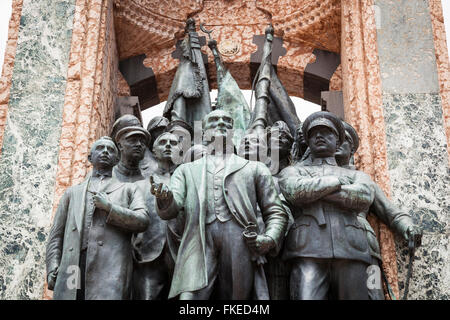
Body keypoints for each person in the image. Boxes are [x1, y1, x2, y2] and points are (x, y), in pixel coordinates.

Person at [151, 109, 289, 300]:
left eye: (227, 121)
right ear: (205, 132)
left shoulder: (255, 168)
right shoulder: (185, 170)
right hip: (198, 240)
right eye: (215, 120)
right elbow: (171, 210)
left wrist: (270, 238)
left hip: (240, 241)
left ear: (233, 130)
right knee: (189, 299)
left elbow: (275, 211)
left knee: (237, 300)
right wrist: (164, 198)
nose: (221, 123)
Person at [279, 111, 376, 300]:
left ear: (338, 142)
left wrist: (315, 193)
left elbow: (363, 196)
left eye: (327, 133)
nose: (320, 136)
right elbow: (294, 192)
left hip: (351, 247)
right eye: (314, 133)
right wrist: (335, 182)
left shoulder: (358, 175)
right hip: (307, 249)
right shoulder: (292, 171)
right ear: (307, 141)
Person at [45, 136, 149, 300]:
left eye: (110, 149)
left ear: (117, 159)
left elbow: (142, 220)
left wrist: (110, 208)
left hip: (109, 269)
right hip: (73, 267)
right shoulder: (72, 193)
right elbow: (56, 235)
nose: (105, 151)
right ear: (90, 157)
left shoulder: (129, 189)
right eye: (100, 148)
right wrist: (52, 267)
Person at [335, 120, 421, 300]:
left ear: (352, 150)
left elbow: (392, 213)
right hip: (321, 245)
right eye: (333, 137)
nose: (336, 142)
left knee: (373, 293)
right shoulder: (309, 177)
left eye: (343, 138)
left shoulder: (364, 181)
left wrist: (408, 226)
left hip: (364, 248)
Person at [132, 132, 183, 300]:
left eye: (173, 143)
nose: (168, 145)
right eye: (163, 142)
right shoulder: (139, 184)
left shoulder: (189, 181)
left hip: (182, 254)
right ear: (154, 151)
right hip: (148, 255)